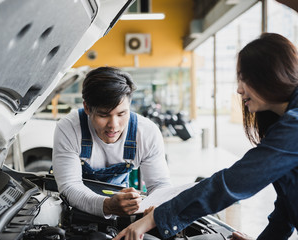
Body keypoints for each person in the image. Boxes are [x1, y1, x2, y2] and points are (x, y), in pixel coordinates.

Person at [114, 33, 298, 240]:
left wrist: (155, 218)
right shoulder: (283, 124)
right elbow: (286, 210)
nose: (238, 89)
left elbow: (233, 182)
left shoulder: (294, 126)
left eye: (244, 79)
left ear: (269, 75)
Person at [52, 66, 172, 217]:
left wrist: (156, 208)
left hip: (122, 213)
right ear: (87, 108)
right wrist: (107, 205)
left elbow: (159, 186)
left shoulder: (147, 132)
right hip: (76, 211)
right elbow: (70, 186)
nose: (113, 125)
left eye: (122, 114)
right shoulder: (69, 128)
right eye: (103, 115)